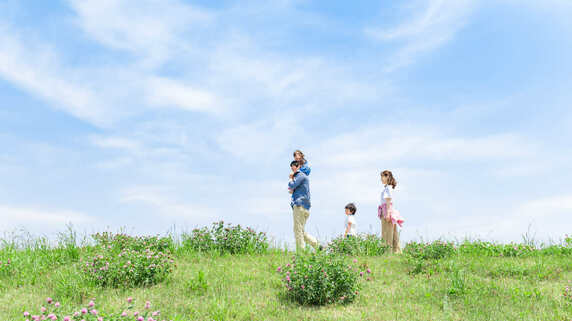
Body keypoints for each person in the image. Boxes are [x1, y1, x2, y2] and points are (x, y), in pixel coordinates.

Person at [288, 160, 319, 251]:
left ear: (297, 167)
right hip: (305, 207)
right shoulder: (303, 178)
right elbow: (293, 189)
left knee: (297, 230)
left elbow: (291, 185)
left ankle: (301, 253)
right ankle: (317, 245)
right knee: (300, 231)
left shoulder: (300, 175)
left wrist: (291, 178)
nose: (292, 169)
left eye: (293, 167)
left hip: (299, 206)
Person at [378, 170, 404, 253]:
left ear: (387, 177)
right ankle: (397, 251)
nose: (381, 179)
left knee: (387, 232)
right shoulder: (387, 188)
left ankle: (387, 251)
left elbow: (388, 201)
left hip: (387, 210)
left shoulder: (388, 188)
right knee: (393, 232)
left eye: (382, 176)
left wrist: (388, 213)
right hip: (388, 210)